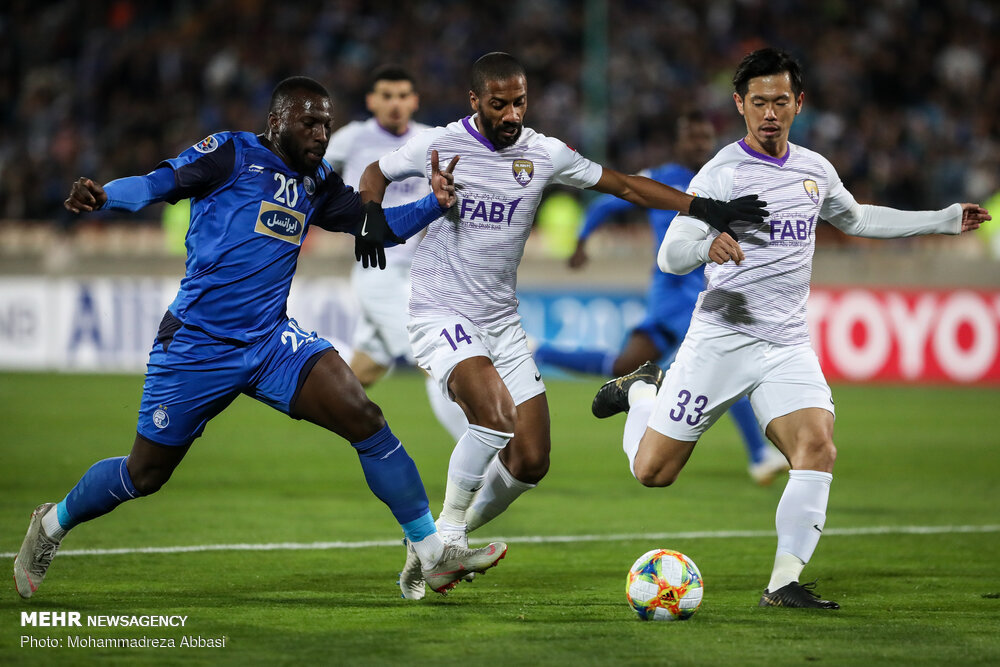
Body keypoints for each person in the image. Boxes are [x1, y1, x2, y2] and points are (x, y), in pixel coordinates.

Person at [13, 76, 507, 601]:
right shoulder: (230, 153)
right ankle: (51, 525)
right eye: (309, 123)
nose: (321, 134)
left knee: (365, 417)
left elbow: (376, 227)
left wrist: (434, 201)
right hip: (197, 345)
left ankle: (430, 551)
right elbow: (160, 183)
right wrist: (107, 194)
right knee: (145, 474)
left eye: (326, 124)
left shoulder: (317, 180)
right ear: (277, 123)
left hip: (271, 342)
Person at [357, 52, 768, 599]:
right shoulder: (439, 144)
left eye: (519, 102)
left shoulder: (545, 153)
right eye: (498, 104)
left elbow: (623, 186)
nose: (510, 114)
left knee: (531, 461)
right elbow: (375, 173)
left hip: (501, 320)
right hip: (440, 311)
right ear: (474, 101)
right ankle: (444, 543)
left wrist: (705, 208)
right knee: (495, 417)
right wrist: (367, 217)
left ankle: (428, 545)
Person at [591, 48, 991, 609]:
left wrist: (943, 220)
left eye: (781, 101)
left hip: (785, 344)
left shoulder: (815, 169)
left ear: (798, 103)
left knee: (817, 446)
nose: (770, 113)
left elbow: (857, 218)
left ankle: (782, 583)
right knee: (653, 473)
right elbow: (670, 255)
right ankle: (639, 391)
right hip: (720, 338)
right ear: (740, 105)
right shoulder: (722, 173)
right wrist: (708, 241)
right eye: (759, 103)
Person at [533, 111, 789, 485]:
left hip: (708, 293)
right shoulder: (662, 178)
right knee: (720, 362)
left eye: (705, 137)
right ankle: (759, 454)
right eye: (693, 136)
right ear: (679, 141)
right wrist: (583, 238)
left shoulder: (724, 178)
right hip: (673, 294)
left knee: (627, 364)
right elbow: (608, 202)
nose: (700, 144)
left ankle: (540, 351)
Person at [325, 65, 468, 441]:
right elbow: (312, 178)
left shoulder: (429, 140)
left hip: (419, 274)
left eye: (403, 95)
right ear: (371, 100)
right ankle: (482, 456)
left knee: (366, 369)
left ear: (415, 101)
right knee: (434, 355)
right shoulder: (352, 139)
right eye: (386, 96)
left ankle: (296, 405)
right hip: (378, 270)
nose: (395, 104)